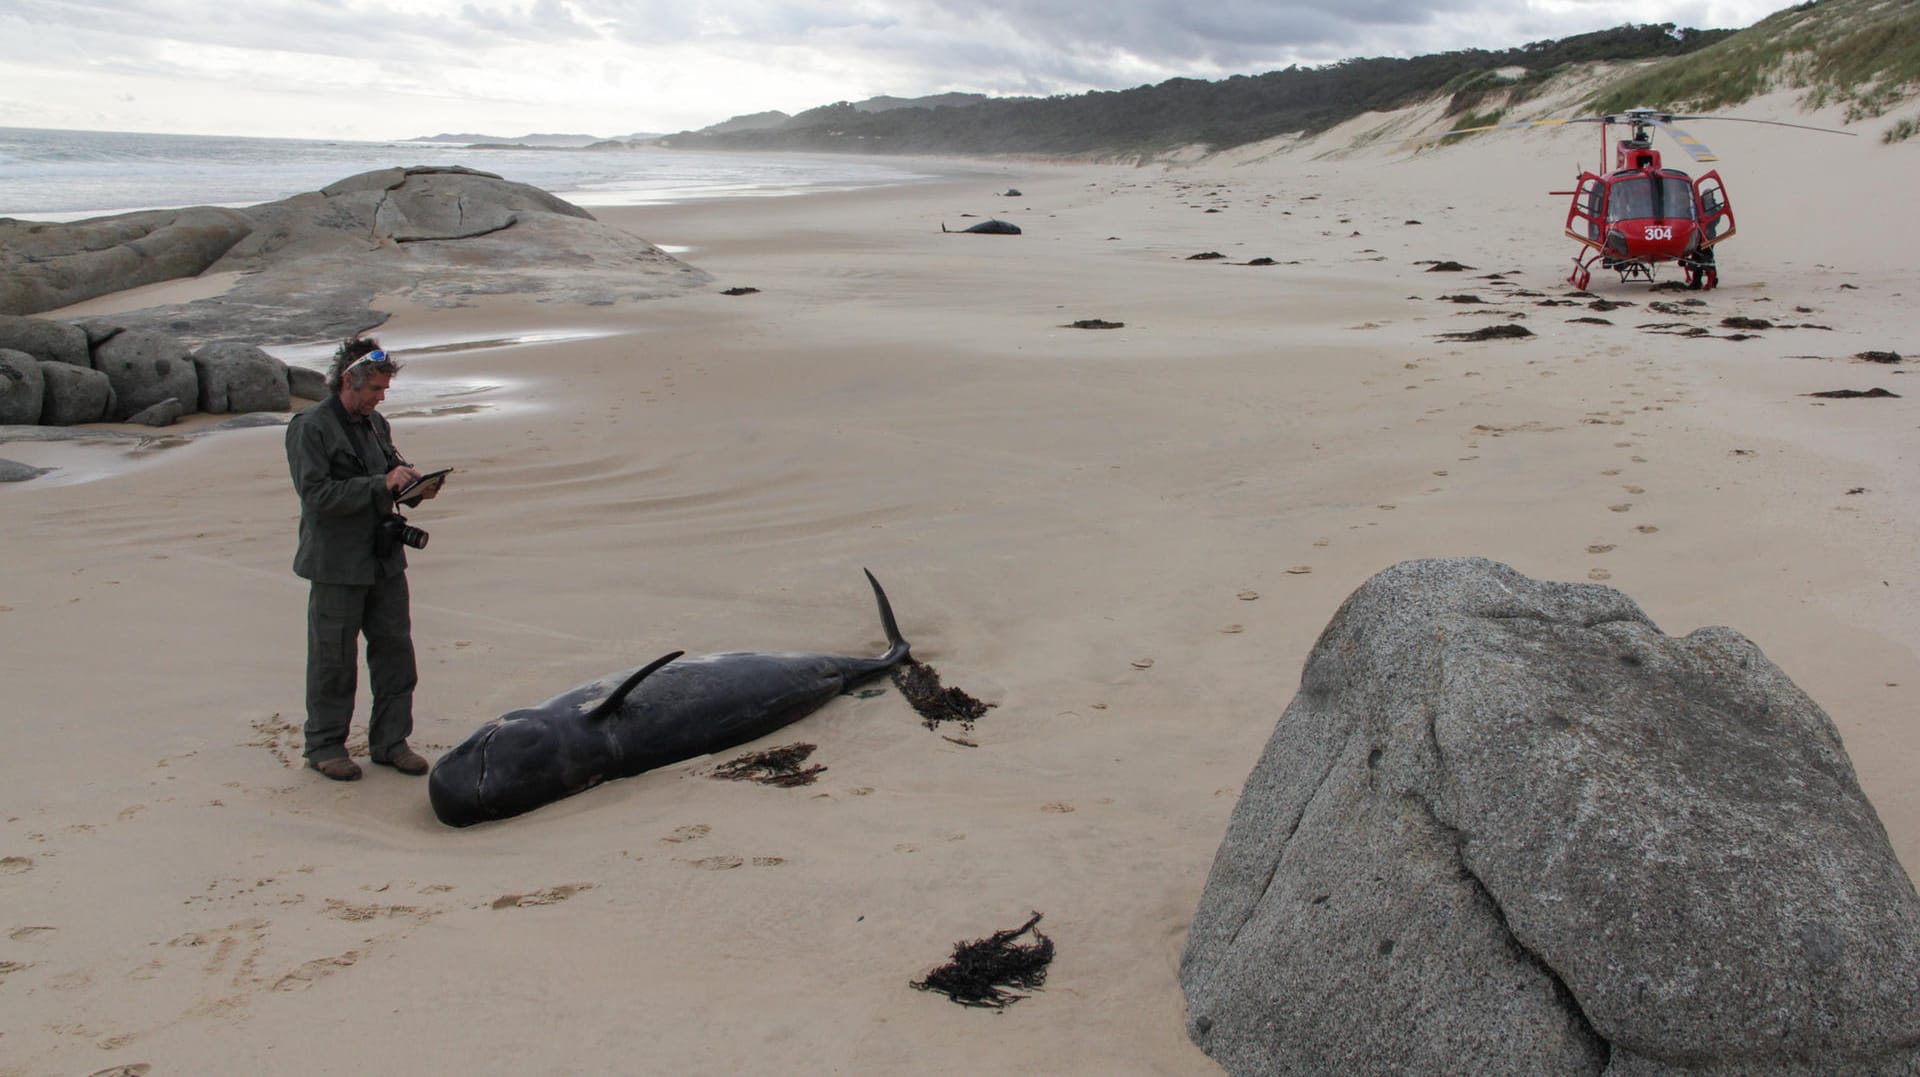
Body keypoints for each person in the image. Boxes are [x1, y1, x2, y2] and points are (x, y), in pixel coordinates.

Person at [285, 337, 443, 781]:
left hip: (382, 557)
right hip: (336, 564)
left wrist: (413, 490)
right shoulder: (310, 427)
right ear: (347, 382)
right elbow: (315, 496)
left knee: (395, 653)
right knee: (333, 659)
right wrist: (381, 485)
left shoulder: (377, 424)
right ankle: (325, 745)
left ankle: (391, 742)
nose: (380, 397)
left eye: (384, 390)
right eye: (374, 388)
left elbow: (389, 478)